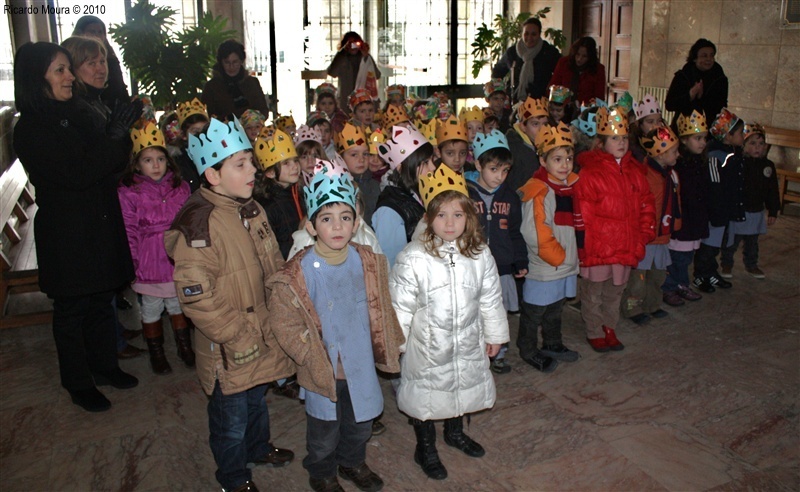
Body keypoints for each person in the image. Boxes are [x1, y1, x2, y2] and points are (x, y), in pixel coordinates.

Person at [164, 116, 295, 492]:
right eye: (241, 164)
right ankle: (234, 477)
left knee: (257, 400)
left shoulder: (251, 208)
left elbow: (272, 260)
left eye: (251, 161)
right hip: (228, 344)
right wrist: (237, 335)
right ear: (213, 175)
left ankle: (259, 447)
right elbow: (197, 297)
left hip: (260, 329)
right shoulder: (200, 224)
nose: (253, 169)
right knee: (230, 419)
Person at [13, 42, 140, 412]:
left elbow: (110, 163)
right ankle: (78, 382)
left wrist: (118, 134)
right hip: (68, 231)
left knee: (101, 300)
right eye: (60, 70)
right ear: (37, 79)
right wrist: (112, 138)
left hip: (98, 219)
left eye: (69, 68)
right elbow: (76, 174)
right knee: (72, 310)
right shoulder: (31, 128)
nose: (70, 76)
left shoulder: (75, 111)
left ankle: (104, 366)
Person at [267, 160, 404, 492]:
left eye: (345, 217)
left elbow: (382, 304)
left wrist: (390, 340)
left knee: (360, 423)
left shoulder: (367, 261)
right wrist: (307, 353)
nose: (337, 226)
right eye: (326, 219)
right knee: (324, 430)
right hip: (323, 366)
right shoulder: (298, 272)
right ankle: (322, 470)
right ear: (312, 227)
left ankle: (352, 461)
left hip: (359, 362)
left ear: (356, 223)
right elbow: (283, 321)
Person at [389, 164, 510, 481]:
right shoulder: (413, 257)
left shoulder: (479, 253)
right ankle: (425, 446)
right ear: (428, 217)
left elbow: (490, 298)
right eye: (441, 215)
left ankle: (455, 432)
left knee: (462, 386)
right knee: (426, 397)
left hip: (467, 339)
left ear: (469, 216)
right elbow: (400, 306)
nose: (450, 223)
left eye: (458, 214)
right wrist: (396, 345)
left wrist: (495, 334)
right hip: (427, 347)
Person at [61, 35, 146, 358]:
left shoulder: (94, 100)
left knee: (107, 280)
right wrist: (116, 136)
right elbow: (95, 161)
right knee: (100, 282)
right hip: (92, 207)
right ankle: (111, 343)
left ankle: (114, 334)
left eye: (103, 61)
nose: (101, 69)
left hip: (106, 198)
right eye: (91, 63)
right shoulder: (78, 108)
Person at [574, 107, 656, 352]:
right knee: (593, 294)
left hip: (625, 246)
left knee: (615, 292)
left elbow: (647, 204)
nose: (621, 143)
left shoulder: (635, 172)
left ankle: (609, 327)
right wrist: (586, 248)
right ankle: (594, 330)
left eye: (624, 138)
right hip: (599, 249)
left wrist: (643, 235)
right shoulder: (590, 174)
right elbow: (584, 216)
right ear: (600, 143)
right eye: (614, 138)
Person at [118, 123, 194, 374]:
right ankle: (157, 353)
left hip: (175, 257)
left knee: (177, 304)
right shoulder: (130, 192)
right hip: (149, 260)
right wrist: (132, 262)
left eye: (160, 159)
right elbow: (128, 230)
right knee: (151, 307)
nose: (156, 165)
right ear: (137, 164)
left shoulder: (179, 187)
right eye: (148, 160)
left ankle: (185, 347)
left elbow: (189, 221)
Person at [517, 122, 581, 371]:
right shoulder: (540, 191)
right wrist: (558, 257)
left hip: (563, 265)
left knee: (555, 308)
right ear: (543, 161)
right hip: (546, 266)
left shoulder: (569, 187)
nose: (565, 165)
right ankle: (528, 349)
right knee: (534, 312)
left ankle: (553, 343)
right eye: (557, 159)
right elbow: (534, 231)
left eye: (569, 158)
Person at [466, 130, 527, 374]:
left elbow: (515, 232)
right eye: (493, 169)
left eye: (505, 170)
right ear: (478, 165)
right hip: (473, 268)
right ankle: (476, 354)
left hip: (501, 269)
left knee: (498, 313)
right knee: (475, 314)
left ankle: (499, 353)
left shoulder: (510, 197)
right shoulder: (465, 194)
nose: (499, 177)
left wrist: (520, 259)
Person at [621, 126, 682, 325]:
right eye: (674, 151)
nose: (678, 154)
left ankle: (652, 305)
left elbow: (676, 203)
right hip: (645, 238)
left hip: (662, 236)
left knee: (658, 276)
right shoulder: (644, 175)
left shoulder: (671, 175)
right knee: (637, 279)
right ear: (660, 154)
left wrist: (675, 224)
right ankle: (633, 309)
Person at [661, 110, 710, 305]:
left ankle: (681, 284)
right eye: (698, 138)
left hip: (695, 219)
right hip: (683, 221)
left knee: (687, 256)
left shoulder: (702, 162)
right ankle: (670, 287)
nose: (702, 143)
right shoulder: (678, 165)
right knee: (677, 257)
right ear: (683, 140)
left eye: (704, 138)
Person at [719, 123, 780, 279]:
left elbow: (772, 190)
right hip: (739, 210)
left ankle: (751, 264)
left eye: (761, 143)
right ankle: (726, 263)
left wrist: (773, 210)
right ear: (744, 145)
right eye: (752, 143)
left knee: (752, 242)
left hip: (756, 211)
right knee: (732, 240)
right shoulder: (738, 162)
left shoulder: (768, 166)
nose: (757, 147)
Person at [692, 108, 743, 292]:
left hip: (726, 207)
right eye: (740, 133)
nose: (743, 136)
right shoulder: (715, 155)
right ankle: (700, 275)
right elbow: (714, 185)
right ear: (728, 136)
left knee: (717, 245)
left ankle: (711, 273)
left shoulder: (733, 151)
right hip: (716, 209)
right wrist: (717, 209)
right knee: (708, 246)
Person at [373, 126, 437, 268]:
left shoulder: (417, 192)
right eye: (425, 162)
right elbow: (393, 262)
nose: (433, 167)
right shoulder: (390, 209)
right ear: (402, 168)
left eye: (432, 160)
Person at [252, 129, 304, 259]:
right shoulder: (268, 206)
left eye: (295, 160)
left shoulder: (300, 194)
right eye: (286, 163)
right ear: (270, 173)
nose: (295, 167)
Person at [491, 16, 560, 102]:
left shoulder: (549, 52)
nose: (529, 38)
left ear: (539, 34)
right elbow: (497, 71)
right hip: (515, 102)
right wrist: (499, 92)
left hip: (540, 104)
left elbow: (561, 72)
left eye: (533, 34)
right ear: (522, 34)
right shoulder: (512, 52)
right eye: (526, 34)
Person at [665, 39, 728, 126]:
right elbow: (669, 105)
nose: (709, 59)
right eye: (704, 56)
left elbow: (720, 107)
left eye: (711, 55)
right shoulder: (683, 76)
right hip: (683, 127)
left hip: (708, 127)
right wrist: (690, 95)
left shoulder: (720, 78)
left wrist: (701, 98)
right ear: (695, 58)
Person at [202, 39, 269, 120]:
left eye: (235, 62)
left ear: (241, 61)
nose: (231, 66)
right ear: (221, 63)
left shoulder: (252, 82)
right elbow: (207, 117)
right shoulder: (211, 87)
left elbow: (263, 110)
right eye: (227, 62)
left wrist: (253, 120)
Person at [71, 15, 129, 107]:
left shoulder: (111, 58)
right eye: (92, 32)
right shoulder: (72, 59)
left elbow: (120, 86)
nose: (97, 35)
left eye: (100, 32)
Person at [336, 122, 380, 226]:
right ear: (341, 158)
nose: (361, 159)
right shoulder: (337, 187)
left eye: (365, 154)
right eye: (354, 155)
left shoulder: (375, 185)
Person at [327, 32, 381, 112]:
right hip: (346, 100)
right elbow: (332, 72)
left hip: (364, 100)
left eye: (355, 43)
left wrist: (366, 56)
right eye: (350, 43)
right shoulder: (342, 58)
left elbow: (377, 75)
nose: (353, 46)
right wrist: (343, 52)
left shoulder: (365, 57)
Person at [506, 96, 549, 193]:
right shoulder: (515, 151)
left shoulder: (545, 145)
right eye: (535, 124)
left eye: (545, 124)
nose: (542, 129)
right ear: (523, 127)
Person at [548, 37, 606, 104]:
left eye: (584, 56)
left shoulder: (598, 69)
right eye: (577, 54)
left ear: (590, 57)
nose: (579, 59)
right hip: (562, 106)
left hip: (586, 108)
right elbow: (553, 87)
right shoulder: (564, 63)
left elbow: (599, 98)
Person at [175, 98, 210, 192]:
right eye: (195, 131)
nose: (201, 135)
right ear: (184, 135)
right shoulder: (177, 163)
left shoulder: (218, 155)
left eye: (205, 130)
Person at [630, 94, 666, 163]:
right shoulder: (633, 148)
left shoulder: (665, 140)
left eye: (659, 121)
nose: (656, 126)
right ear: (639, 124)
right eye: (650, 122)